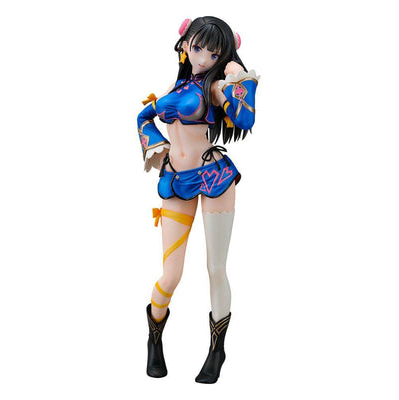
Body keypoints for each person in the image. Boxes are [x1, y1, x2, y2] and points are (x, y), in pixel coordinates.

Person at [137, 16, 260, 383]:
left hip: (214, 177)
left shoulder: (217, 87)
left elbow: (245, 117)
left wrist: (239, 77)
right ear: (185, 44)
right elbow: (144, 115)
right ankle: (154, 339)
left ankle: (217, 350)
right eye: (197, 47)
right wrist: (155, 145)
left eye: (214, 53)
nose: (203, 57)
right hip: (175, 181)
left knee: (215, 268)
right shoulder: (176, 88)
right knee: (170, 274)